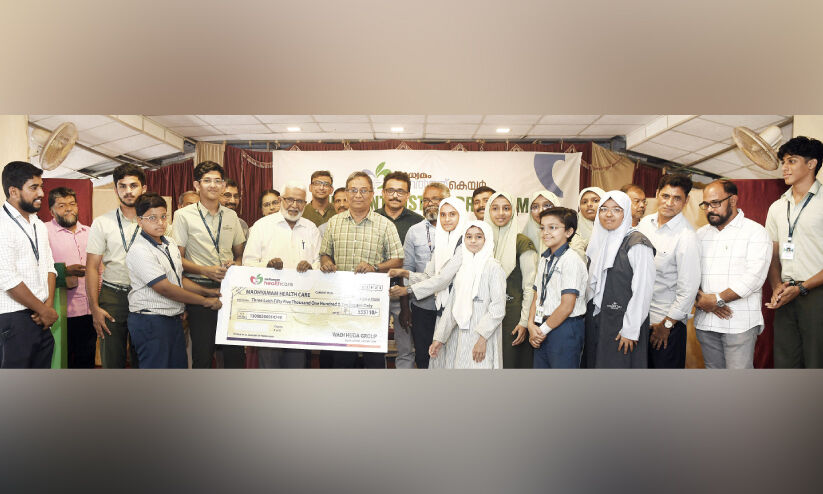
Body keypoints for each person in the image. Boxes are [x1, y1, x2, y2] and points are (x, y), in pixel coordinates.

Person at [125, 193, 222, 368]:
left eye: (163, 216)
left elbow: (178, 280)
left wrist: (208, 291)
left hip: (173, 320)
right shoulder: (140, 250)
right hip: (151, 320)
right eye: (152, 218)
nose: (160, 222)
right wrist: (205, 301)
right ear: (139, 221)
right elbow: (165, 288)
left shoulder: (169, 243)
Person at [319, 171, 403, 368]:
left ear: (372, 195)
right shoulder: (334, 223)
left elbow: (398, 259)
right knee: (342, 359)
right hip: (341, 303)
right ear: (346, 193)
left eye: (364, 190)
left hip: (372, 304)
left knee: (374, 360)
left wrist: (375, 267)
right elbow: (325, 253)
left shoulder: (385, 225)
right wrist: (327, 262)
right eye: (353, 190)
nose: (358, 195)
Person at [172, 161, 246, 369]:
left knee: (235, 354)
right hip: (199, 289)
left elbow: (240, 255)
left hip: (229, 290)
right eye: (207, 181)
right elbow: (177, 260)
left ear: (223, 185)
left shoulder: (231, 216)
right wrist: (205, 270)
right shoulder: (183, 216)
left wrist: (235, 264)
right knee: (203, 355)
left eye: (217, 181)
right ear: (197, 185)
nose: (213, 185)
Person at [694, 180, 771, 369]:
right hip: (705, 321)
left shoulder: (755, 232)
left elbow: (754, 278)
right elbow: (688, 274)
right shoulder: (699, 234)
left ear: (733, 200)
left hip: (739, 323)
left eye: (715, 203)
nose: (709, 209)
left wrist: (718, 299)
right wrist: (701, 299)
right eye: (705, 204)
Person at [243, 181, 321, 368]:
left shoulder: (311, 229)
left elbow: (319, 262)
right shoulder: (261, 226)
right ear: (280, 200)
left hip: (300, 311)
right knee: (269, 365)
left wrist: (311, 267)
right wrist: (267, 266)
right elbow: (248, 264)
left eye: (300, 201)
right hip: (270, 310)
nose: (294, 205)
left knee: (297, 366)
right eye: (290, 200)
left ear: (305, 204)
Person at [388, 197, 469, 368]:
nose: (446, 219)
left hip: (460, 311)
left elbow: (442, 280)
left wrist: (407, 290)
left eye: (452, 214)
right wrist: (404, 272)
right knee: (436, 359)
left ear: (461, 215)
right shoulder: (443, 242)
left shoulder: (465, 243)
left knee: (455, 361)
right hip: (443, 310)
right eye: (443, 214)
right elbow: (429, 275)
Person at [765, 136, 823, 368]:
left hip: (817, 293)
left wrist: (802, 287)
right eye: (783, 162)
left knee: (816, 361)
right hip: (786, 293)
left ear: (811, 164)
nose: (784, 167)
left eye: (791, 161)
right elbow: (772, 254)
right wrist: (776, 286)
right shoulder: (777, 207)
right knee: (785, 362)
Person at [584, 190, 656, 369]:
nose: (608, 214)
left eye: (616, 209)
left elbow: (643, 290)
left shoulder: (637, 243)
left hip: (624, 324)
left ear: (626, 212)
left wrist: (631, 330)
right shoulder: (600, 241)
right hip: (600, 321)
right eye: (603, 209)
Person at [636, 174, 701, 369]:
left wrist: (667, 325)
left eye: (677, 198)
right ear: (657, 194)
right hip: (638, 322)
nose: (669, 203)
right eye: (665, 196)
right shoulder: (644, 224)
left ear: (686, 201)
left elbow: (688, 289)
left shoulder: (687, 237)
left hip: (666, 326)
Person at [85, 163, 145, 368]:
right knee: (112, 361)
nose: (128, 191)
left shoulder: (154, 221)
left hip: (145, 294)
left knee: (143, 360)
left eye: (133, 185)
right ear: (116, 189)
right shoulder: (102, 222)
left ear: (144, 188)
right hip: (112, 296)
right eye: (122, 186)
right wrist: (94, 308)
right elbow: (92, 267)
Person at [0, 161, 57, 368]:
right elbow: (7, 278)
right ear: (13, 191)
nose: (41, 193)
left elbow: (49, 267)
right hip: (13, 318)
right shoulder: (2, 225)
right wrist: (43, 310)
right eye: (34, 187)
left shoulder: (38, 224)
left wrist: (47, 307)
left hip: (41, 317)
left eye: (41, 186)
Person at [428, 221, 506, 369]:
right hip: (459, 336)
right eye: (469, 237)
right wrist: (439, 338)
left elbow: (498, 309)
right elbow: (452, 306)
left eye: (478, 237)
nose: (473, 241)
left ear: (487, 239)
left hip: (484, 337)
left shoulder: (493, 267)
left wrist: (482, 340)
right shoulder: (463, 268)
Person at [395, 182, 450, 368]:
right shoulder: (415, 231)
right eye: (425, 200)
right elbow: (407, 269)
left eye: (435, 199)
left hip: (450, 307)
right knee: (423, 357)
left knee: (448, 357)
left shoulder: (459, 230)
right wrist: (405, 308)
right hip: (422, 306)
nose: (429, 204)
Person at [527, 207, 588, 368]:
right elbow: (537, 295)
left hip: (565, 328)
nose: (545, 232)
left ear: (569, 231)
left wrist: (542, 331)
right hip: (542, 326)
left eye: (552, 227)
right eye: (542, 228)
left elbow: (567, 306)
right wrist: (531, 325)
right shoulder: (544, 258)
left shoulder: (571, 260)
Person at [484, 192, 538, 368]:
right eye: (495, 208)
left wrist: (524, 321)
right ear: (488, 211)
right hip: (484, 313)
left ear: (514, 211)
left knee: (510, 363)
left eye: (506, 208)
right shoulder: (481, 241)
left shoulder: (522, 242)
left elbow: (530, 287)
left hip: (512, 314)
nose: (501, 213)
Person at [375, 171, 423, 369]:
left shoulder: (418, 222)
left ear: (408, 195)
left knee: (406, 348)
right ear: (383, 192)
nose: (395, 195)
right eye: (391, 190)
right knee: (373, 347)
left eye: (400, 191)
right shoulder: (372, 218)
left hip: (405, 294)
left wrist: (406, 302)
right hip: (374, 292)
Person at [45, 187, 95, 368]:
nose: (68, 209)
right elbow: (37, 268)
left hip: (89, 311)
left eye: (72, 204)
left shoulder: (90, 232)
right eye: (61, 205)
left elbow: (100, 269)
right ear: (51, 211)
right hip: (59, 312)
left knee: (86, 362)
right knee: (60, 362)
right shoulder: (44, 232)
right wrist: (65, 271)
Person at [570, 186, 605, 261]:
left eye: (595, 201)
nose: (589, 204)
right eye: (584, 202)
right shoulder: (572, 226)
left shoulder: (615, 226)